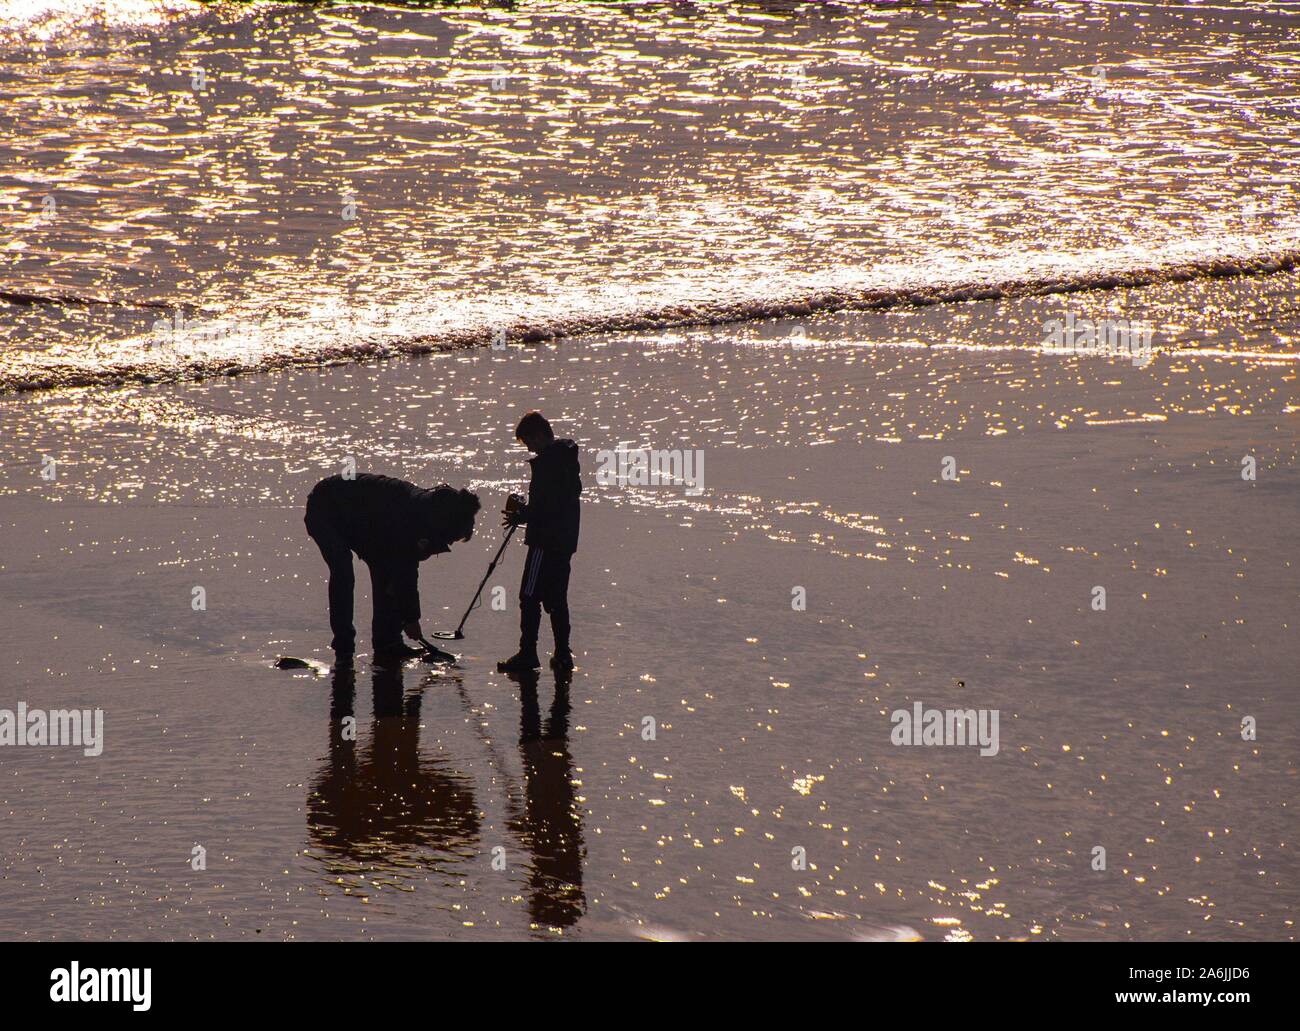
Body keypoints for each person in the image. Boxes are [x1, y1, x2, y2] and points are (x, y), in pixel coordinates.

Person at [304, 473, 480, 663]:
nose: (449, 544)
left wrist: (409, 616)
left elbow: (401, 571)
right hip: (325, 506)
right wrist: (412, 619)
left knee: (387, 573)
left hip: (368, 523)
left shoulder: (431, 510)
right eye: (451, 539)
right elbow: (406, 572)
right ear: (446, 526)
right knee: (343, 569)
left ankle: (388, 644)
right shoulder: (412, 518)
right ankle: (344, 646)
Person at [498, 412, 581, 673]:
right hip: (565, 541)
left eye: (528, 442)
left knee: (529, 596)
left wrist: (522, 514)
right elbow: (557, 505)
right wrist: (530, 511)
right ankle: (563, 654)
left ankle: (528, 653)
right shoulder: (566, 459)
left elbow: (545, 509)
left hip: (544, 543)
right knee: (557, 599)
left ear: (538, 435)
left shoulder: (547, 465)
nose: (529, 449)